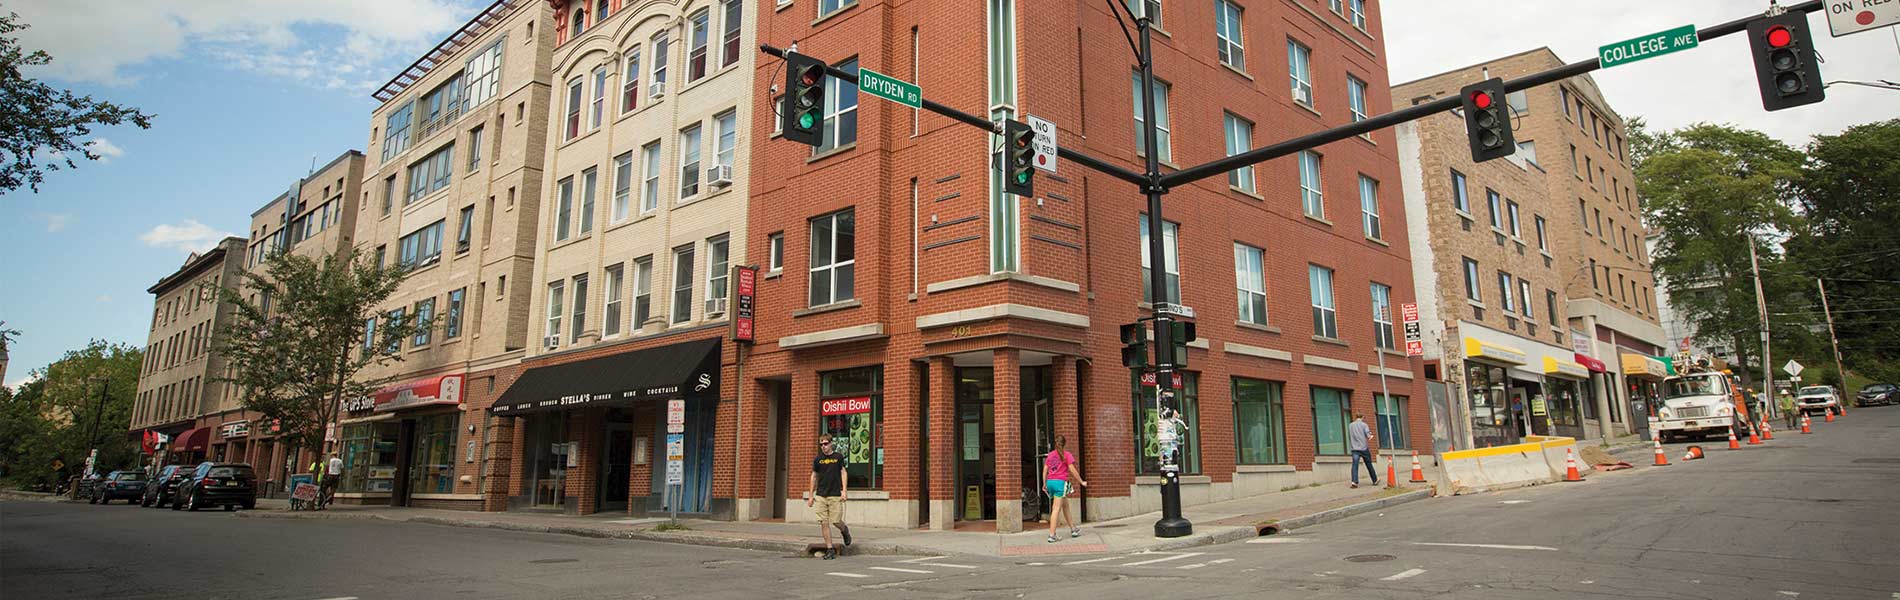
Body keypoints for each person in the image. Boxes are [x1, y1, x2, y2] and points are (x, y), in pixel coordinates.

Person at [807, 434, 851, 560]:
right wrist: (811, 496)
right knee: (823, 522)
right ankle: (830, 549)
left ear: (831, 443)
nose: (823, 447)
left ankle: (844, 530)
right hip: (821, 495)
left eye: (825, 444)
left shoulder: (838, 457)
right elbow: (814, 476)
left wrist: (844, 490)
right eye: (821, 444)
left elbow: (843, 472)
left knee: (836, 521)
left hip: (835, 494)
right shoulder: (818, 460)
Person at [1043, 435, 1088, 543]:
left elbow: (1045, 470)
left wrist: (1044, 484)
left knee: (1065, 506)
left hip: (1050, 482)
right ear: (1065, 444)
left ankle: (1073, 529)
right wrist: (1081, 481)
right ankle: (1052, 535)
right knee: (1056, 509)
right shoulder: (1067, 455)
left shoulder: (1050, 455)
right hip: (1060, 483)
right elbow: (1073, 470)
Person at [1348, 413, 1378, 488]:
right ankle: (1374, 480)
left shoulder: (1350, 425)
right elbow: (1369, 436)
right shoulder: (1364, 425)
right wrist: (1371, 435)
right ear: (1362, 417)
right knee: (1369, 464)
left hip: (1354, 448)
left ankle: (1354, 482)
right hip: (1363, 448)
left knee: (1355, 465)